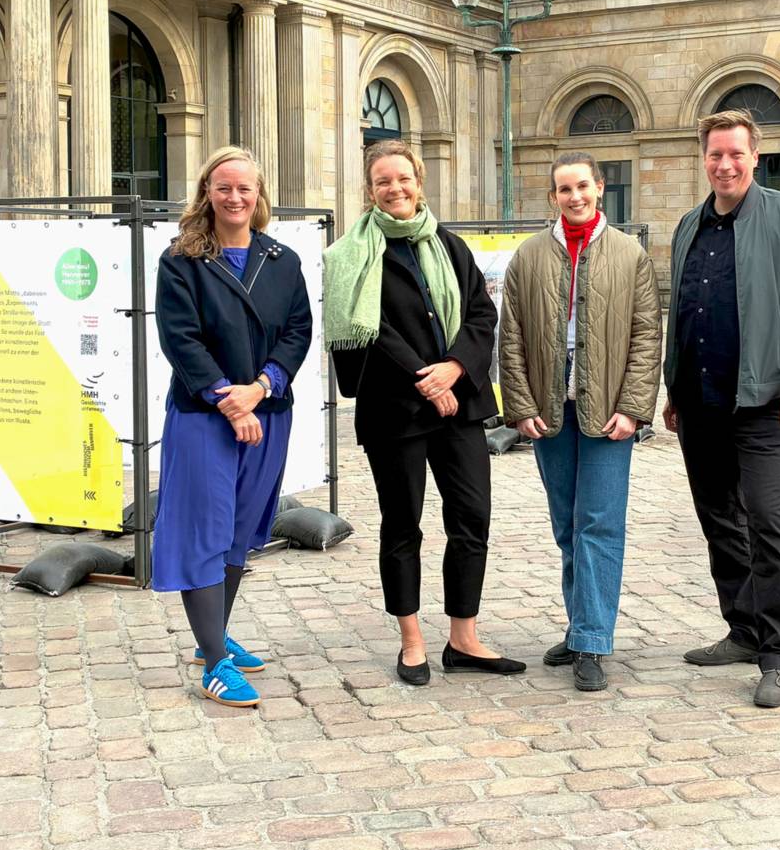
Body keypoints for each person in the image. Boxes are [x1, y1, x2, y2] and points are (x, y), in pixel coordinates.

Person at [325, 139, 523, 686]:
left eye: (403, 178)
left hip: (460, 404)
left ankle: (463, 638)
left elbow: (482, 314)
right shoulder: (353, 255)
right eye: (383, 181)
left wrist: (455, 368)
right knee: (401, 523)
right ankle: (412, 640)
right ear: (370, 190)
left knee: (471, 518)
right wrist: (426, 378)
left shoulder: (449, 245)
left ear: (419, 181)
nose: (395, 188)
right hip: (395, 410)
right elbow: (371, 329)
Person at [662, 108, 780, 708]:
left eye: (735, 153)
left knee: (768, 520)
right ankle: (743, 629)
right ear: (704, 158)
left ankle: (779, 656)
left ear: (755, 157)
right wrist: (674, 389)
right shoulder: (689, 225)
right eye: (715, 154)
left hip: (763, 402)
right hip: (700, 402)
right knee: (720, 520)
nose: (725, 164)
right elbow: (684, 311)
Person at [153, 146, 313, 708]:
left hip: (267, 413)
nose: (235, 197)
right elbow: (181, 338)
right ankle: (216, 665)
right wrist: (231, 401)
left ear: (259, 194)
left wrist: (262, 388)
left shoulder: (281, 260)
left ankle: (212, 637)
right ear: (207, 192)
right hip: (206, 417)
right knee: (204, 530)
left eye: (245, 188)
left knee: (241, 529)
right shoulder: (182, 260)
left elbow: (298, 330)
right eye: (224, 187)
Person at [498, 152, 661, 691]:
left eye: (582, 186)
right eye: (564, 189)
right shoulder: (528, 256)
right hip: (550, 408)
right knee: (567, 525)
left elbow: (646, 335)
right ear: (553, 196)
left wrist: (634, 407)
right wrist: (521, 406)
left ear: (600, 188)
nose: (575, 197)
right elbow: (511, 336)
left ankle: (592, 641)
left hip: (609, 407)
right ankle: (580, 625)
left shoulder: (629, 254)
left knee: (600, 523)